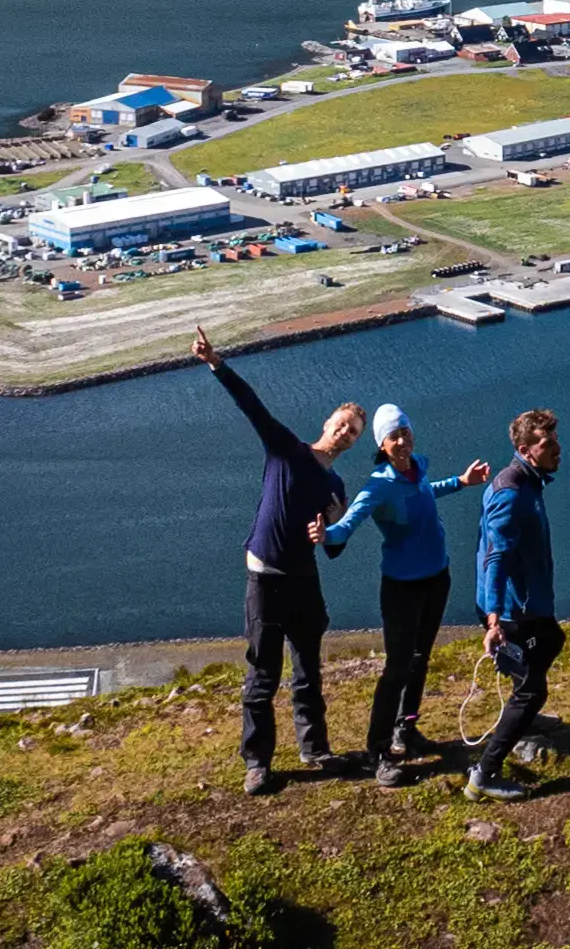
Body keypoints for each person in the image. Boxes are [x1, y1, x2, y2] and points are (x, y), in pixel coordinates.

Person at [191, 328, 363, 795]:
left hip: (305, 582)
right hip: (266, 577)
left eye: (353, 431)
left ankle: (315, 750)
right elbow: (252, 406)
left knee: (308, 672)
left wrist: (330, 531)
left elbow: (335, 547)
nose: (344, 432)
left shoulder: (337, 489)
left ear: (353, 442)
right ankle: (257, 762)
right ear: (328, 422)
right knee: (262, 674)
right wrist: (217, 363)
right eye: (342, 423)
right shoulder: (286, 449)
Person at [313, 403, 491, 787]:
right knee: (397, 669)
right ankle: (378, 752)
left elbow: (426, 491)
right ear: (381, 443)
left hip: (436, 578)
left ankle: (406, 730)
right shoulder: (378, 485)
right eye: (394, 435)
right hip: (402, 588)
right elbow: (348, 524)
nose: (402, 440)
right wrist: (325, 536)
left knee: (420, 659)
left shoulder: (418, 469)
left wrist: (461, 481)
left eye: (405, 432)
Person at [469, 408, 566, 803]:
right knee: (532, 690)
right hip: (511, 612)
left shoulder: (529, 481)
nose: (558, 448)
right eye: (548, 444)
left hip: (525, 606)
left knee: (553, 640)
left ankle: (522, 716)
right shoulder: (511, 491)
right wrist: (494, 619)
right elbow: (497, 556)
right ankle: (483, 775)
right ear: (526, 450)